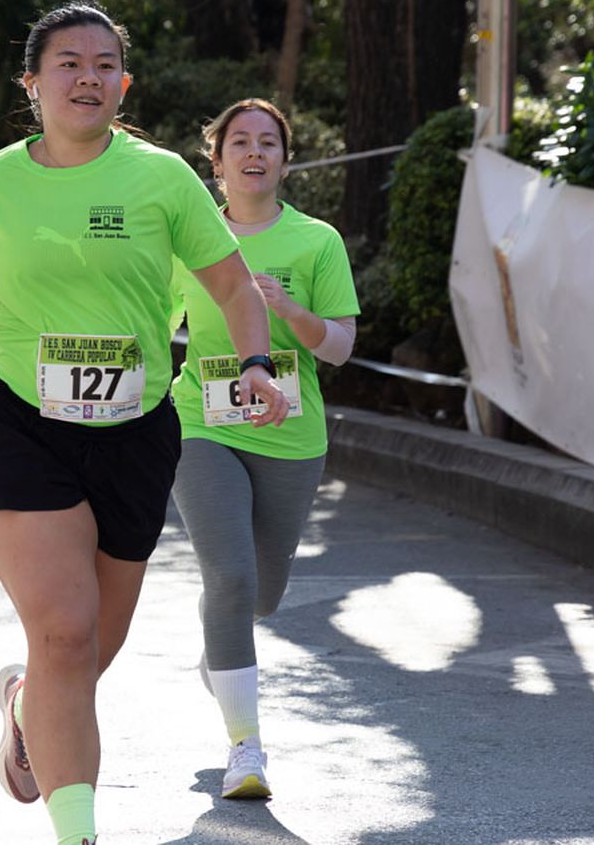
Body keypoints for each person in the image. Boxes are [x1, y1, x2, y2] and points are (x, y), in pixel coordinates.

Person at [0, 1, 288, 845]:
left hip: (135, 433)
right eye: (68, 63)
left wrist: (254, 366)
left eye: (104, 65)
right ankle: (78, 833)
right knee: (62, 629)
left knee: (89, 649)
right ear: (32, 83)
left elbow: (236, 287)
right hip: (25, 426)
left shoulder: (162, 177)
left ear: (123, 83)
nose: (87, 77)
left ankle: (26, 703)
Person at [169, 98, 360, 800]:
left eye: (269, 143)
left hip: (290, 434)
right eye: (239, 142)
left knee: (263, 593)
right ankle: (244, 747)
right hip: (202, 424)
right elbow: (150, 318)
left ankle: (222, 647)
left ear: (285, 159)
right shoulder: (187, 240)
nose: (255, 153)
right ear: (214, 161)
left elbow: (340, 348)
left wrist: (287, 311)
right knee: (231, 575)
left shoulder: (317, 241)